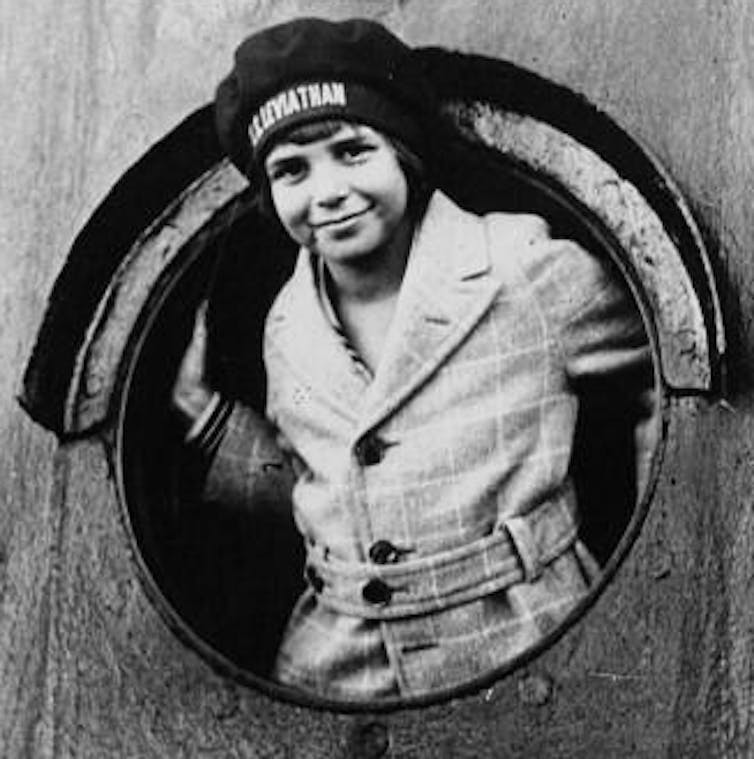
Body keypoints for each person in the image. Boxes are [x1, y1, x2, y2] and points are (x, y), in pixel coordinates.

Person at [173, 17, 654, 701]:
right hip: (336, 662)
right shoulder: (285, 324)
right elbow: (337, 488)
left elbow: (672, 380)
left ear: (403, 152)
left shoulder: (519, 270)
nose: (327, 190)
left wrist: (655, 548)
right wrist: (211, 426)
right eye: (290, 171)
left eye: (352, 151)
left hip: (522, 643)